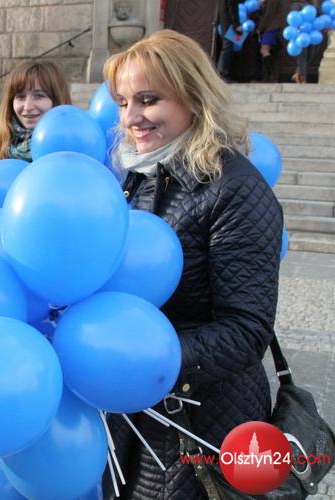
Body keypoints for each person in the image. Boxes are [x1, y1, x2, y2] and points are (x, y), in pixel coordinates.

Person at [101, 29, 283, 498]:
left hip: (200, 420)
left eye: (148, 100)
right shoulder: (140, 175)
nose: (131, 117)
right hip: (137, 410)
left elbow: (247, 330)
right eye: (123, 102)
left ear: (193, 96)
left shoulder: (234, 188)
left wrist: (148, 359)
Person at [0, 60, 72, 233]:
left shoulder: (71, 147)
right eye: (20, 97)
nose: (27, 107)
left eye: (39, 95)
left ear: (56, 100)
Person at [257, 0, 287, 82]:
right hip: (268, 27)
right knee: (267, 50)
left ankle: (272, 76)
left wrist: (260, 28)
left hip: (271, 27)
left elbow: (268, 15)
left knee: (264, 50)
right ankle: (268, 76)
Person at [216, 0, 244, 80]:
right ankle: (222, 73)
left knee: (227, 46)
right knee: (228, 46)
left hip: (224, 22)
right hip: (229, 23)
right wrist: (236, 24)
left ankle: (222, 72)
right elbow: (232, 9)